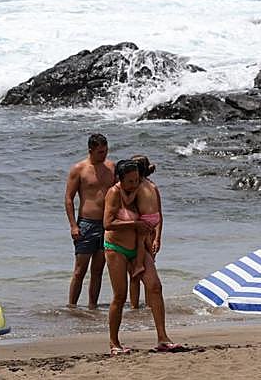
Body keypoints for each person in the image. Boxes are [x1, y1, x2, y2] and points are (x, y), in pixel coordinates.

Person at [102, 160, 183, 355]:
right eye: (130, 181)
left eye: (137, 180)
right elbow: (108, 222)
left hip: (138, 248)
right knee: (120, 296)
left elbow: (151, 214)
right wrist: (134, 225)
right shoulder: (114, 193)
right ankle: (114, 343)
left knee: (155, 286)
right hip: (116, 248)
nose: (134, 184)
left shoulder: (139, 190)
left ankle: (163, 338)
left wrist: (154, 235)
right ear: (120, 180)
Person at [64, 133, 115, 308]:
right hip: (86, 224)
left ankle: (92, 306)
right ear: (90, 151)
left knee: (98, 270)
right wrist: (73, 225)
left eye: (106, 151)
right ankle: (72, 306)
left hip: (107, 225)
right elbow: (69, 198)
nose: (104, 155)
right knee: (80, 270)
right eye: (100, 152)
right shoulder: (79, 169)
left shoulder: (111, 168)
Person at [127, 155, 161, 310]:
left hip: (141, 230)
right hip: (153, 229)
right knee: (150, 272)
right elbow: (159, 214)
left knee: (134, 275)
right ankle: (149, 305)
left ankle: (134, 306)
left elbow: (131, 210)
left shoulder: (135, 188)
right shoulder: (153, 186)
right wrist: (158, 238)